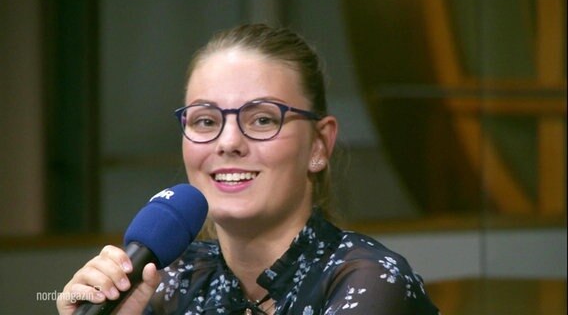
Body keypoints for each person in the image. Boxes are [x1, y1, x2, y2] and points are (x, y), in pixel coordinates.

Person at [57, 24, 439, 315]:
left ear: (319, 145)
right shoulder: (170, 281)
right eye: (205, 121)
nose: (228, 142)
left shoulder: (369, 281)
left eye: (261, 120)